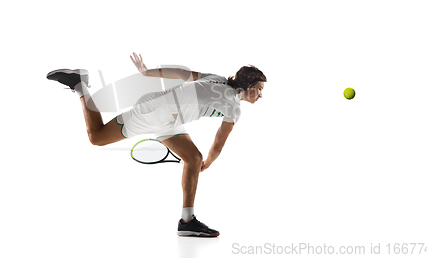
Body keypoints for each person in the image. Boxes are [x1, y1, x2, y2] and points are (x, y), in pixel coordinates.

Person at [46, 53, 267, 237]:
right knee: (97, 137)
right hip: (154, 114)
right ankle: (79, 84)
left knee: (192, 158)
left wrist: (147, 72)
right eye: (259, 88)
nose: (261, 95)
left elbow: (183, 73)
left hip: (168, 117)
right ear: (247, 86)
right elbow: (218, 144)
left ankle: (187, 221)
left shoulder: (217, 78)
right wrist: (209, 163)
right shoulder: (234, 107)